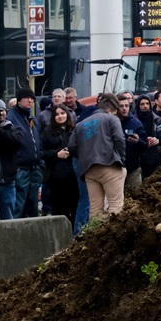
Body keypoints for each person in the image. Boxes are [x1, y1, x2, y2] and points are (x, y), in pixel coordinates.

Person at [61, 93, 127, 224]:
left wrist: (84, 157)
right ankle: (113, 240)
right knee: (115, 206)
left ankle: (96, 239)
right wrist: (122, 158)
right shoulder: (111, 119)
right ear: (110, 110)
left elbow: (71, 147)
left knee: (95, 210)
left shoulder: (81, 124)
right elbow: (119, 139)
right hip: (110, 165)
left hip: (89, 170)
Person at [40, 104, 81, 227]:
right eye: (57, 114)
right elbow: (42, 153)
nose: (60, 116)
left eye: (62, 113)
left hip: (74, 175)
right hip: (56, 177)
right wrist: (56, 154)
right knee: (59, 209)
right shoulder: (47, 132)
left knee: (75, 207)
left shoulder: (74, 130)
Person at [7, 87, 43, 218]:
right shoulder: (11, 117)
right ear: (18, 100)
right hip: (20, 167)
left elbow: (39, 140)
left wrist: (41, 161)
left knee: (33, 203)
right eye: (26, 98)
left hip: (35, 167)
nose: (30, 101)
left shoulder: (32, 119)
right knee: (18, 204)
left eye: (32, 99)